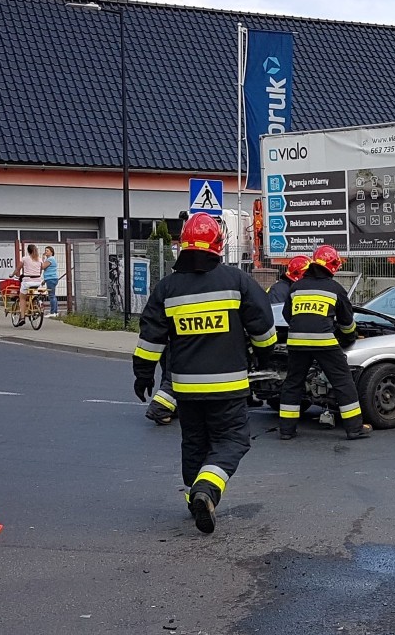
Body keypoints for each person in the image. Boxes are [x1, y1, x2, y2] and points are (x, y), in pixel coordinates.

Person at [132, 213, 277, 534]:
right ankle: (206, 491)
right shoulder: (237, 282)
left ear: (182, 244)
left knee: (195, 442)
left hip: (184, 389)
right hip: (228, 387)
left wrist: (143, 375)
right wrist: (263, 353)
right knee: (232, 441)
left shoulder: (167, 288)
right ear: (219, 245)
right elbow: (264, 329)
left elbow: (150, 337)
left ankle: (194, 496)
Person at [278, 245, 372, 441]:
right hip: (324, 342)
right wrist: (348, 337)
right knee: (343, 382)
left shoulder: (296, 287)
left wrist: (301, 330)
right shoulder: (335, 289)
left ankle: (287, 430)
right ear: (333, 266)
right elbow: (347, 322)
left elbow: (287, 315)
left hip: (296, 341)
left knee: (293, 383)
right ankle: (354, 429)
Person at [11, 244, 44, 326]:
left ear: (28, 251)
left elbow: (18, 269)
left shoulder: (25, 259)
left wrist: (12, 275)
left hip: (27, 281)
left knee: (22, 298)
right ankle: (34, 306)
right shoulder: (40, 260)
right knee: (32, 294)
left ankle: (22, 317)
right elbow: (40, 271)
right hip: (38, 281)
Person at [42, 246, 59, 317]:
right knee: (53, 295)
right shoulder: (50, 259)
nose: (46, 252)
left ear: (51, 252)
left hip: (51, 279)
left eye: (47, 251)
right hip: (51, 279)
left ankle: (53, 312)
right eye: (45, 250)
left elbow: (42, 267)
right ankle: (55, 312)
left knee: (51, 296)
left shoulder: (50, 259)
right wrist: (44, 280)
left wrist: (42, 259)